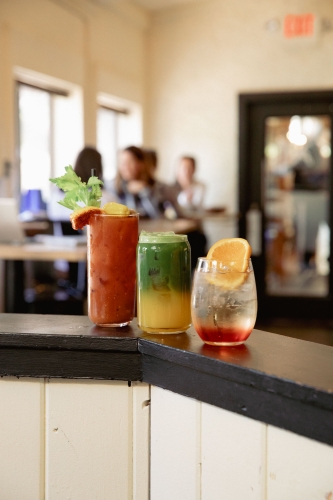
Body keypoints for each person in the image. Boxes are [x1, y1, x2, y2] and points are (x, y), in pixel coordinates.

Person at [110, 146, 179, 219]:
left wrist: (144, 191)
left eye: (129, 162)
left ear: (141, 164)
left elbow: (159, 217)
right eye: (122, 162)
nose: (124, 166)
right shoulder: (115, 188)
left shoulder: (160, 188)